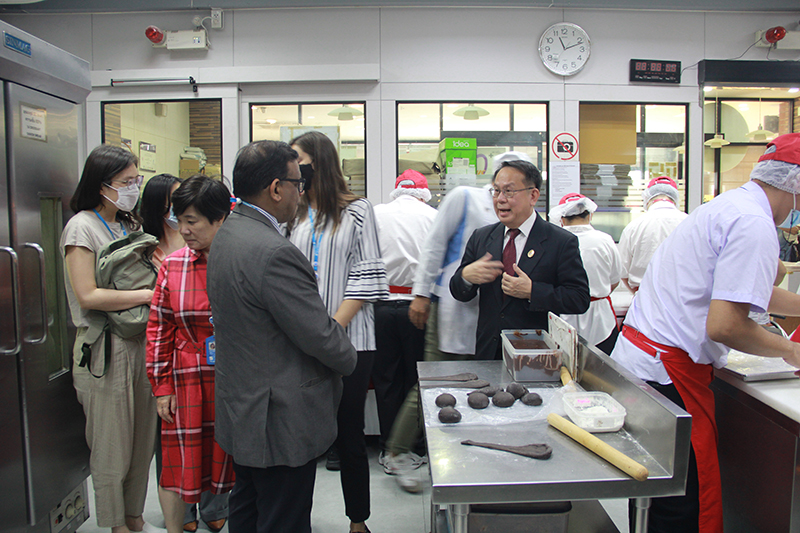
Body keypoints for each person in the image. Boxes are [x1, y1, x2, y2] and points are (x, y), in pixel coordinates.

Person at [611, 133, 800, 533]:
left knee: (654, 496)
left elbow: (744, 287)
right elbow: (726, 326)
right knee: (684, 507)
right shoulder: (755, 223)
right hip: (670, 376)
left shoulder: (730, 206)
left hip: (642, 364)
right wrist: (790, 350)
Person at [207, 140, 357, 533]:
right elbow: (318, 334)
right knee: (283, 518)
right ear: (276, 188)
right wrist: (349, 357)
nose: (300, 192)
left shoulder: (228, 233)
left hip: (242, 406)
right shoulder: (274, 252)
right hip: (278, 417)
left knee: (248, 508)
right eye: (297, 182)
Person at [383, 153, 512, 493]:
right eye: (504, 183)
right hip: (451, 307)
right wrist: (421, 294)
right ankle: (397, 451)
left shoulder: (511, 213)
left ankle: (461, 455)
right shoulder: (466, 197)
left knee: (476, 385)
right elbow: (434, 245)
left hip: (487, 314)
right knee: (436, 382)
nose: (507, 192)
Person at [286, 130, 388, 533]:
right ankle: (297, 519)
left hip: (350, 341)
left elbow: (367, 275)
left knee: (349, 432)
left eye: (299, 161)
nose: (294, 170)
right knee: (301, 436)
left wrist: (329, 330)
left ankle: (357, 520)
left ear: (318, 163)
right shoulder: (289, 214)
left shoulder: (357, 211)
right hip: (299, 341)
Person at [60, 144, 159, 533]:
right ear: (102, 185)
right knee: (111, 444)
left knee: (141, 441)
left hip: (140, 340)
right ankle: (115, 524)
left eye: (137, 179)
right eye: (126, 181)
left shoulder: (129, 225)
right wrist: (146, 296)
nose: (134, 187)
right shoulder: (81, 227)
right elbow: (87, 295)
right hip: (104, 348)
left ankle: (134, 516)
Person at [146, 176, 235, 533]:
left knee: (225, 451)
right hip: (186, 376)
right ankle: (181, 520)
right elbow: (159, 329)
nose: (182, 230)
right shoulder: (174, 265)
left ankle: (217, 509)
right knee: (182, 452)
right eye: (178, 220)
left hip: (231, 374)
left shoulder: (238, 260)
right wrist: (161, 385)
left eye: (192, 221)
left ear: (220, 219)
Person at [450, 159, 591, 361]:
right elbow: (459, 292)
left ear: (533, 195)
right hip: (488, 352)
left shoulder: (560, 241)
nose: (500, 199)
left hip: (534, 355)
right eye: (496, 191)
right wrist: (465, 277)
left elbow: (579, 299)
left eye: (509, 191)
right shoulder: (482, 237)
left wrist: (533, 291)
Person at [371, 169, 437, 462]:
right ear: (423, 193)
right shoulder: (433, 217)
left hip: (381, 305)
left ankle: (390, 449)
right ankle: (419, 446)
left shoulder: (375, 214)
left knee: (386, 379)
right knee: (418, 378)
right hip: (419, 306)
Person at [549, 193, 623, 355]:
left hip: (564, 316)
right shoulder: (604, 240)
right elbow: (615, 279)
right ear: (590, 215)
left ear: (561, 218)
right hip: (600, 319)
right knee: (601, 369)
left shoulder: (553, 241)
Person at [617, 176, 688, 292]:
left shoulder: (634, 226)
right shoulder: (690, 222)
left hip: (645, 295)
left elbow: (622, 270)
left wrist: (637, 294)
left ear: (647, 198)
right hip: (682, 296)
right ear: (675, 198)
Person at [139, 174, 184, 270]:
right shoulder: (143, 247)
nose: (180, 205)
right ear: (158, 204)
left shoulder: (193, 241)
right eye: (174, 200)